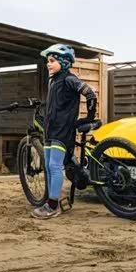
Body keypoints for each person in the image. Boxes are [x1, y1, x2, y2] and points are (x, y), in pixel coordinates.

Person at [32, 44, 97, 219]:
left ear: (64, 62)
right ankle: (51, 201)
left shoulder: (69, 79)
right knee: (48, 166)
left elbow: (90, 94)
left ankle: (53, 206)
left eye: (52, 61)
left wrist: (89, 117)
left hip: (63, 131)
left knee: (54, 166)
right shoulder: (53, 81)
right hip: (51, 130)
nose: (48, 64)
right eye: (48, 61)